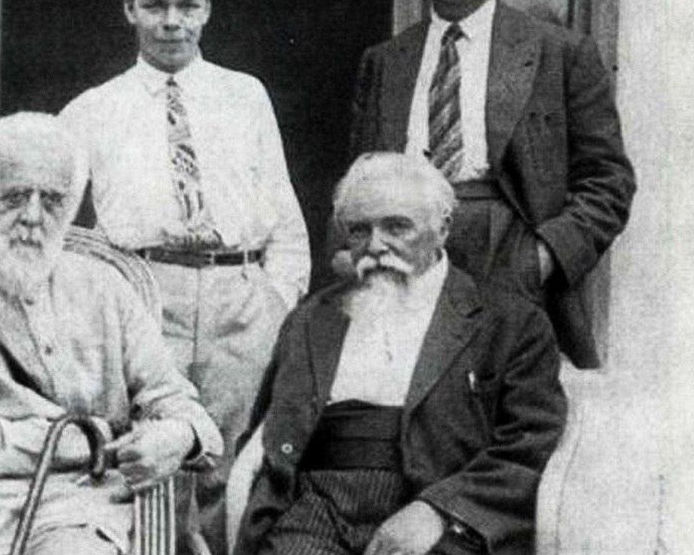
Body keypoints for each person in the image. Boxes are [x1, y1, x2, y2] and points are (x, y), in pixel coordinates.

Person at [59, 0, 310, 554]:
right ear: (129, 8)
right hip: (146, 300)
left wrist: (275, 301)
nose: (171, 21)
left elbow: (284, 217)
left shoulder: (244, 96)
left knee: (230, 470)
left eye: (187, 5)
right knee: (154, 465)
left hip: (240, 303)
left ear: (207, 8)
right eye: (154, 5)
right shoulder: (93, 109)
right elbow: (49, 216)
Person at [0, 112, 223, 555]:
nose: (33, 217)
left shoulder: (106, 288)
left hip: (73, 502)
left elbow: (179, 404)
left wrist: (180, 436)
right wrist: (92, 440)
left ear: (73, 207)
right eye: (15, 197)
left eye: (53, 200)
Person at [347, 0, 635, 367]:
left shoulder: (560, 53)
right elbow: (358, 181)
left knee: (506, 401)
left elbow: (608, 182)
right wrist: (354, 258)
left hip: (511, 262)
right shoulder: (386, 61)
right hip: (405, 262)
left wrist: (542, 258)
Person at [233, 152, 566, 555]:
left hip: (436, 512)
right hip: (315, 510)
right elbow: (269, 430)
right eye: (359, 230)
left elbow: (527, 446)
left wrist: (440, 511)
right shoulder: (311, 319)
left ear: (442, 229)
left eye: (396, 227)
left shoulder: (510, 323)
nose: (375, 245)